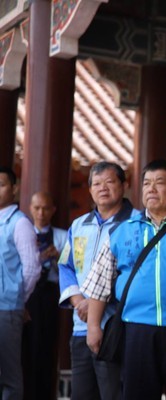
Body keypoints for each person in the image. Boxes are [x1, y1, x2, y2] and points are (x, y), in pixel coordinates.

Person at [83, 159, 166, 400]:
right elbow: (100, 283)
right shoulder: (124, 230)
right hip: (135, 327)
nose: (151, 189)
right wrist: (93, 327)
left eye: (159, 183)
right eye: (147, 183)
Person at [59, 161, 138, 400]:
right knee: (82, 394)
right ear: (90, 189)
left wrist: (93, 304)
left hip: (115, 325)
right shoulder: (78, 225)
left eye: (110, 182)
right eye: (96, 183)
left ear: (124, 185)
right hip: (81, 325)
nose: (102, 188)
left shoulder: (136, 223)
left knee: (113, 393)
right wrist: (79, 301)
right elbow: (65, 266)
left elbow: (134, 273)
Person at [0, 166, 41, 400]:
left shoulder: (19, 223)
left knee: (9, 375)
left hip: (6, 309)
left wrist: (17, 299)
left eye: (1, 184)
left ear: (14, 189)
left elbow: (33, 268)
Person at [22, 191, 68, 400]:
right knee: (24, 347)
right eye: (37, 208)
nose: (41, 213)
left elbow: (71, 270)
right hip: (26, 296)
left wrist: (58, 257)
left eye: (46, 208)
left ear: (53, 210)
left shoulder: (62, 236)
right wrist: (38, 258)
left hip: (51, 296)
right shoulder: (22, 234)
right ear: (30, 208)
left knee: (47, 346)